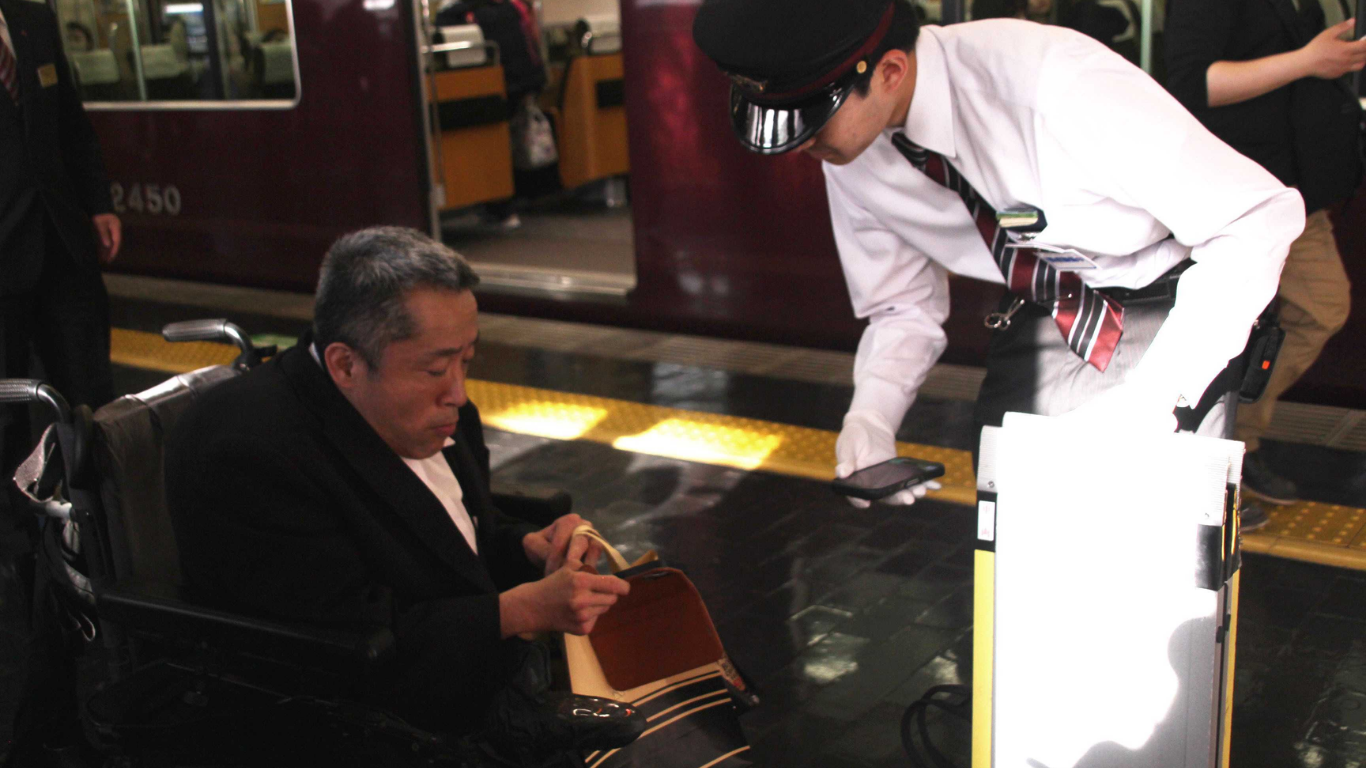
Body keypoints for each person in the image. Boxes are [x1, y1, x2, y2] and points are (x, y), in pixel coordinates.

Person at [691, 0, 1304, 528]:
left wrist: (1152, 400)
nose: (802, 146)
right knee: (1009, 546)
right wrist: (871, 415)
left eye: (814, 122)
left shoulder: (1054, 84)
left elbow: (1257, 218)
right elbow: (902, 306)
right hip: (1045, 312)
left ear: (890, 71)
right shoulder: (851, 152)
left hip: (1172, 312)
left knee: (1150, 560)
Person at [165, 227, 632, 749]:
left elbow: (444, 535)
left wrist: (523, 546)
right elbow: (344, 643)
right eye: (435, 368)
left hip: (469, 677)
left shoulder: (435, 411)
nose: (458, 392)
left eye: (467, 361)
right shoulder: (249, 452)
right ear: (346, 364)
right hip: (342, 725)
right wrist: (520, 611)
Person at [1165, 0, 1366, 507]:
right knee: (1229, 323)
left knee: (1319, 308)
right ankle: (1205, 447)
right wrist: (1309, 60)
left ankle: (1232, 436)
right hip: (1234, 187)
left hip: (1294, 188)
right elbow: (1195, 83)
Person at [0, 0, 120, 476]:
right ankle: (17, 544)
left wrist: (99, 203)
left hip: (62, 242)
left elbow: (70, 121)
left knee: (89, 393)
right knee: (5, 414)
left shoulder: (32, 20)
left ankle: (100, 519)